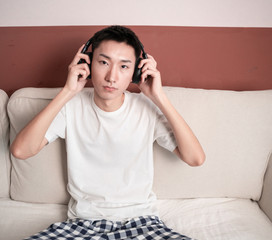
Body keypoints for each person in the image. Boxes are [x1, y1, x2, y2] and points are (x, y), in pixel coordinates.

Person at [11, 25, 205, 240]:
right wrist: (68, 91)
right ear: (88, 63)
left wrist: (159, 97)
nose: (112, 77)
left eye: (124, 66)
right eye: (103, 62)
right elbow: (21, 150)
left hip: (141, 221)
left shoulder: (147, 108)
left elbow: (195, 158)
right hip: (83, 224)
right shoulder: (71, 106)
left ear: (136, 71)